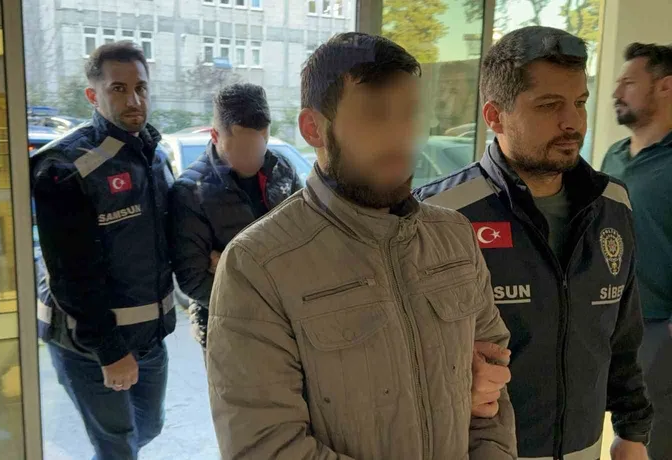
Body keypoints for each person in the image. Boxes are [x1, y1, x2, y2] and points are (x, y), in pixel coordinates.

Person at [206, 32, 517, 460]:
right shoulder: (258, 264)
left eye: (410, 114)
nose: (400, 135)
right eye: (375, 114)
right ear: (314, 128)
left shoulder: (454, 236)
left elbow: (493, 389)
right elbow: (265, 447)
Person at [414, 26, 653, 460]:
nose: (572, 122)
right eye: (548, 105)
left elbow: (622, 334)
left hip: (585, 447)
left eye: (579, 102)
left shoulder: (612, 204)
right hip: (480, 449)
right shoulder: (439, 214)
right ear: (494, 116)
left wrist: (632, 431)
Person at [30, 41, 176, 460]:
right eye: (119, 89)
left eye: (141, 88)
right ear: (93, 95)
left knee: (149, 426)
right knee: (118, 447)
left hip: (149, 337)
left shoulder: (152, 154)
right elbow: (70, 275)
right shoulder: (65, 167)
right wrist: (110, 352)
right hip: (89, 343)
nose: (134, 100)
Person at [170, 83, 303, 351]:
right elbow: (194, 281)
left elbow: (304, 237)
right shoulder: (191, 191)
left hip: (288, 323)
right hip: (228, 331)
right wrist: (267, 300)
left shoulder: (282, 168)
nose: (254, 158)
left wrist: (232, 267)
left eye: (261, 145)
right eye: (242, 149)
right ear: (215, 135)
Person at [601, 42, 672, 460]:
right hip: (610, 319)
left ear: (665, 87)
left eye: (628, 82)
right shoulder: (613, 156)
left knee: (654, 440)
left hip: (659, 327)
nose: (616, 92)